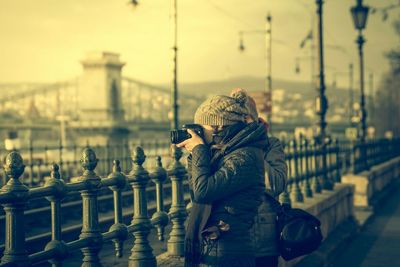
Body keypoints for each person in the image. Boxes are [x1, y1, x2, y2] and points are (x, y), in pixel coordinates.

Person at [177, 92, 267, 267]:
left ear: (218, 126)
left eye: (201, 127)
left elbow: (203, 192)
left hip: (228, 252)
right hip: (217, 247)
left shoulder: (245, 156)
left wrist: (200, 150)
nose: (199, 132)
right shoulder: (226, 152)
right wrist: (195, 153)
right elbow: (196, 189)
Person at [230, 88, 288, 267]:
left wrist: (252, 149)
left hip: (263, 242)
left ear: (254, 120)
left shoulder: (270, 145)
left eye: (245, 119)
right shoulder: (225, 146)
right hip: (231, 241)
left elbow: (278, 183)